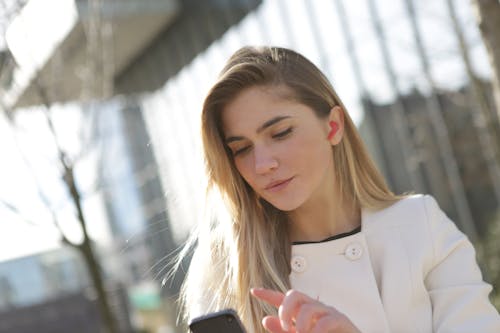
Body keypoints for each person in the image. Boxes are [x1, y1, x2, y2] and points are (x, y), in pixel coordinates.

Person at [176, 46, 500, 332]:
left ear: (333, 126)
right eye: (242, 149)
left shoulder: (420, 226)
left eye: (281, 132)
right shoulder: (224, 262)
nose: (262, 164)